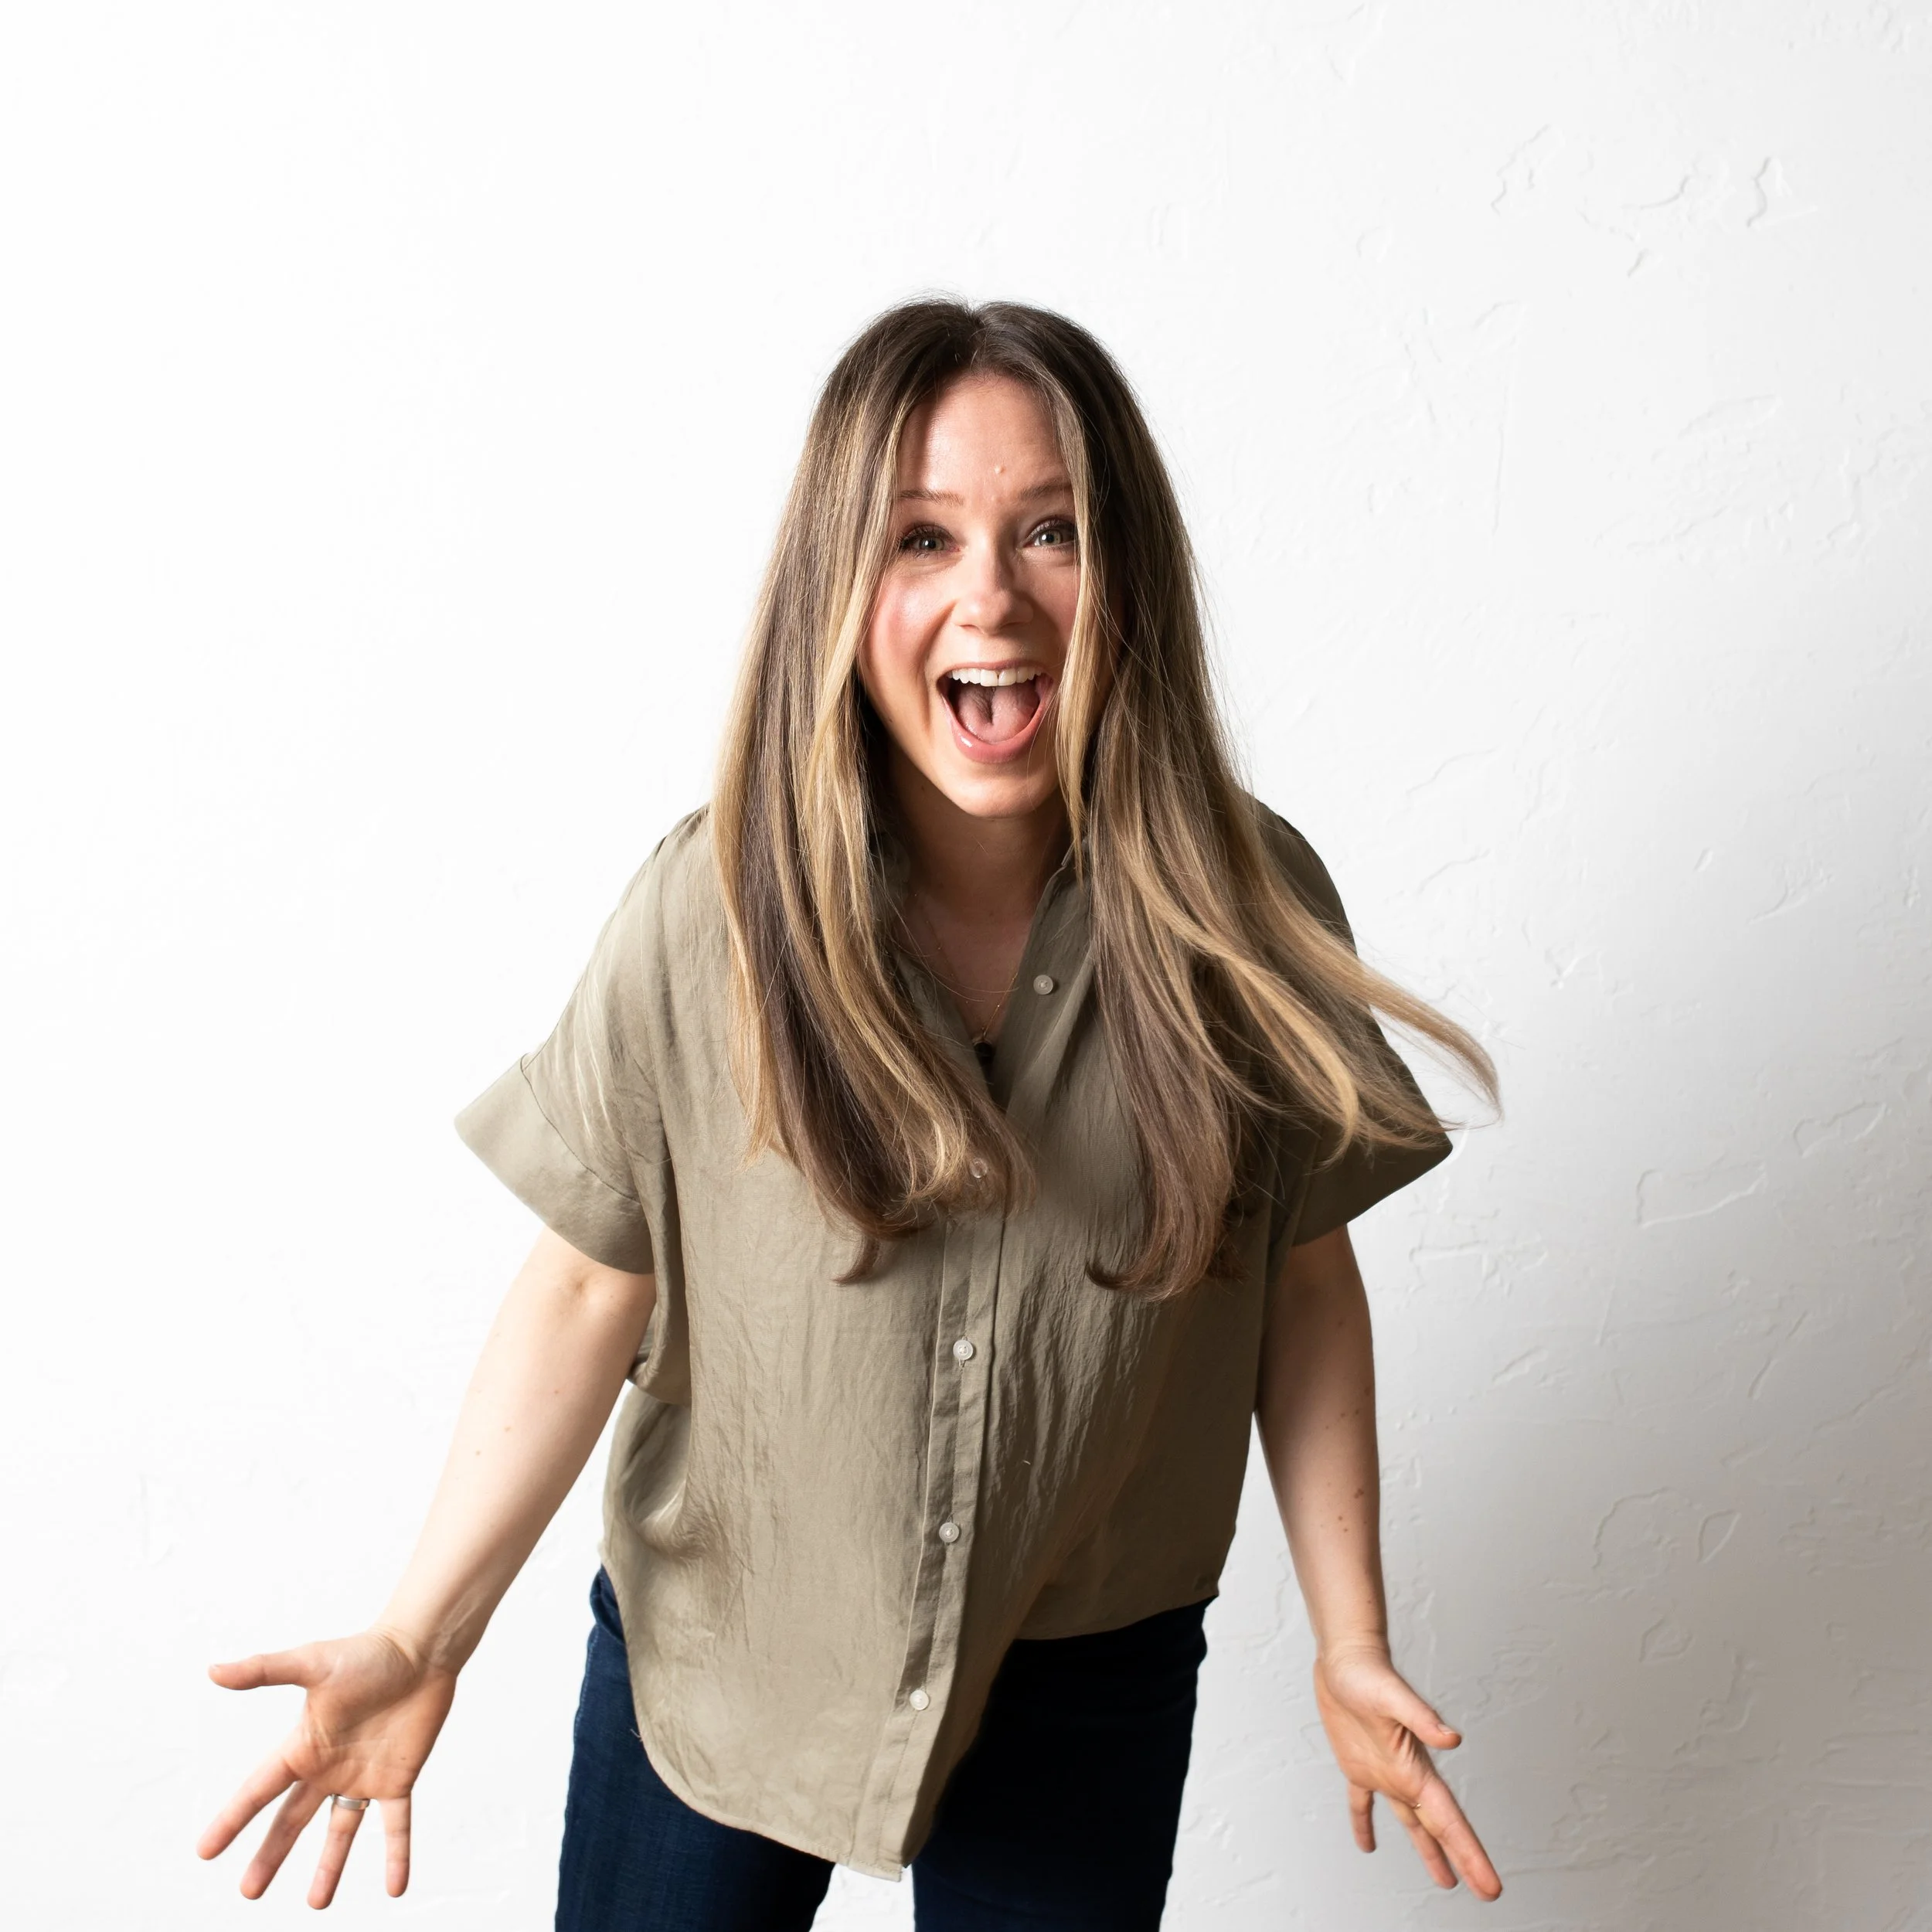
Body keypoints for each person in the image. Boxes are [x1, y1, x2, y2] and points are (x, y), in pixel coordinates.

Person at [196, 298, 1505, 1928]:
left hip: (1086, 1667)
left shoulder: (1242, 909)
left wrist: (1348, 1631)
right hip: (729, 1639)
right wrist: (422, 1629)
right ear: (838, 582)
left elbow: (1298, 1283)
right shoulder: (707, 911)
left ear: (1130, 576)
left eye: (1051, 530)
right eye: (919, 536)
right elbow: (592, 1278)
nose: (990, 594)